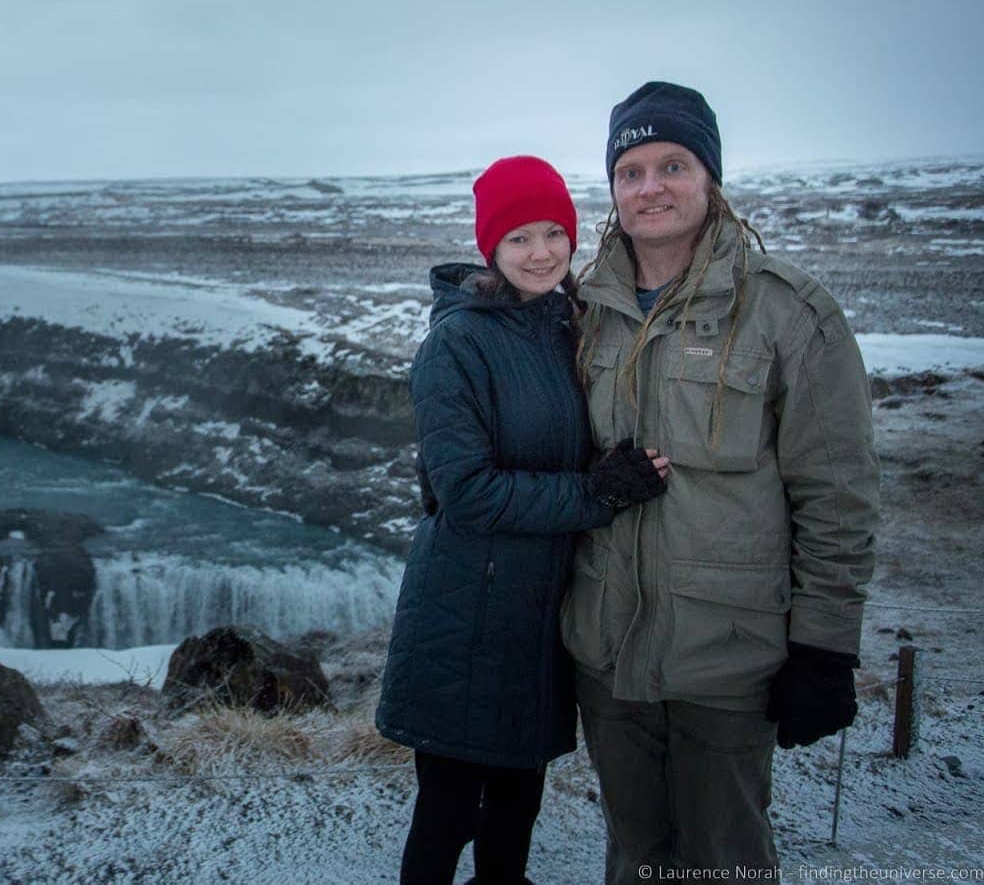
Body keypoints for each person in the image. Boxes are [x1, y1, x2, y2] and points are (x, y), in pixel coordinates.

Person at [562, 82, 879, 882]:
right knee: (635, 858)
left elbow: (835, 490)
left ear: (710, 178)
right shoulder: (582, 310)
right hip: (607, 654)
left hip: (728, 660)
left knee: (723, 863)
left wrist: (826, 647)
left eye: (672, 164)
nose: (650, 187)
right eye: (629, 171)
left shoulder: (787, 311)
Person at [376, 155, 669, 885]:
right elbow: (467, 492)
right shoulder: (457, 342)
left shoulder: (567, 325)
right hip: (466, 613)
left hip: (541, 611)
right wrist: (599, 494)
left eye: (553, 234)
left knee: (517, 803)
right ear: (490, 250)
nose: (540, 252)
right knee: (446, 813)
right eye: (518, 239)